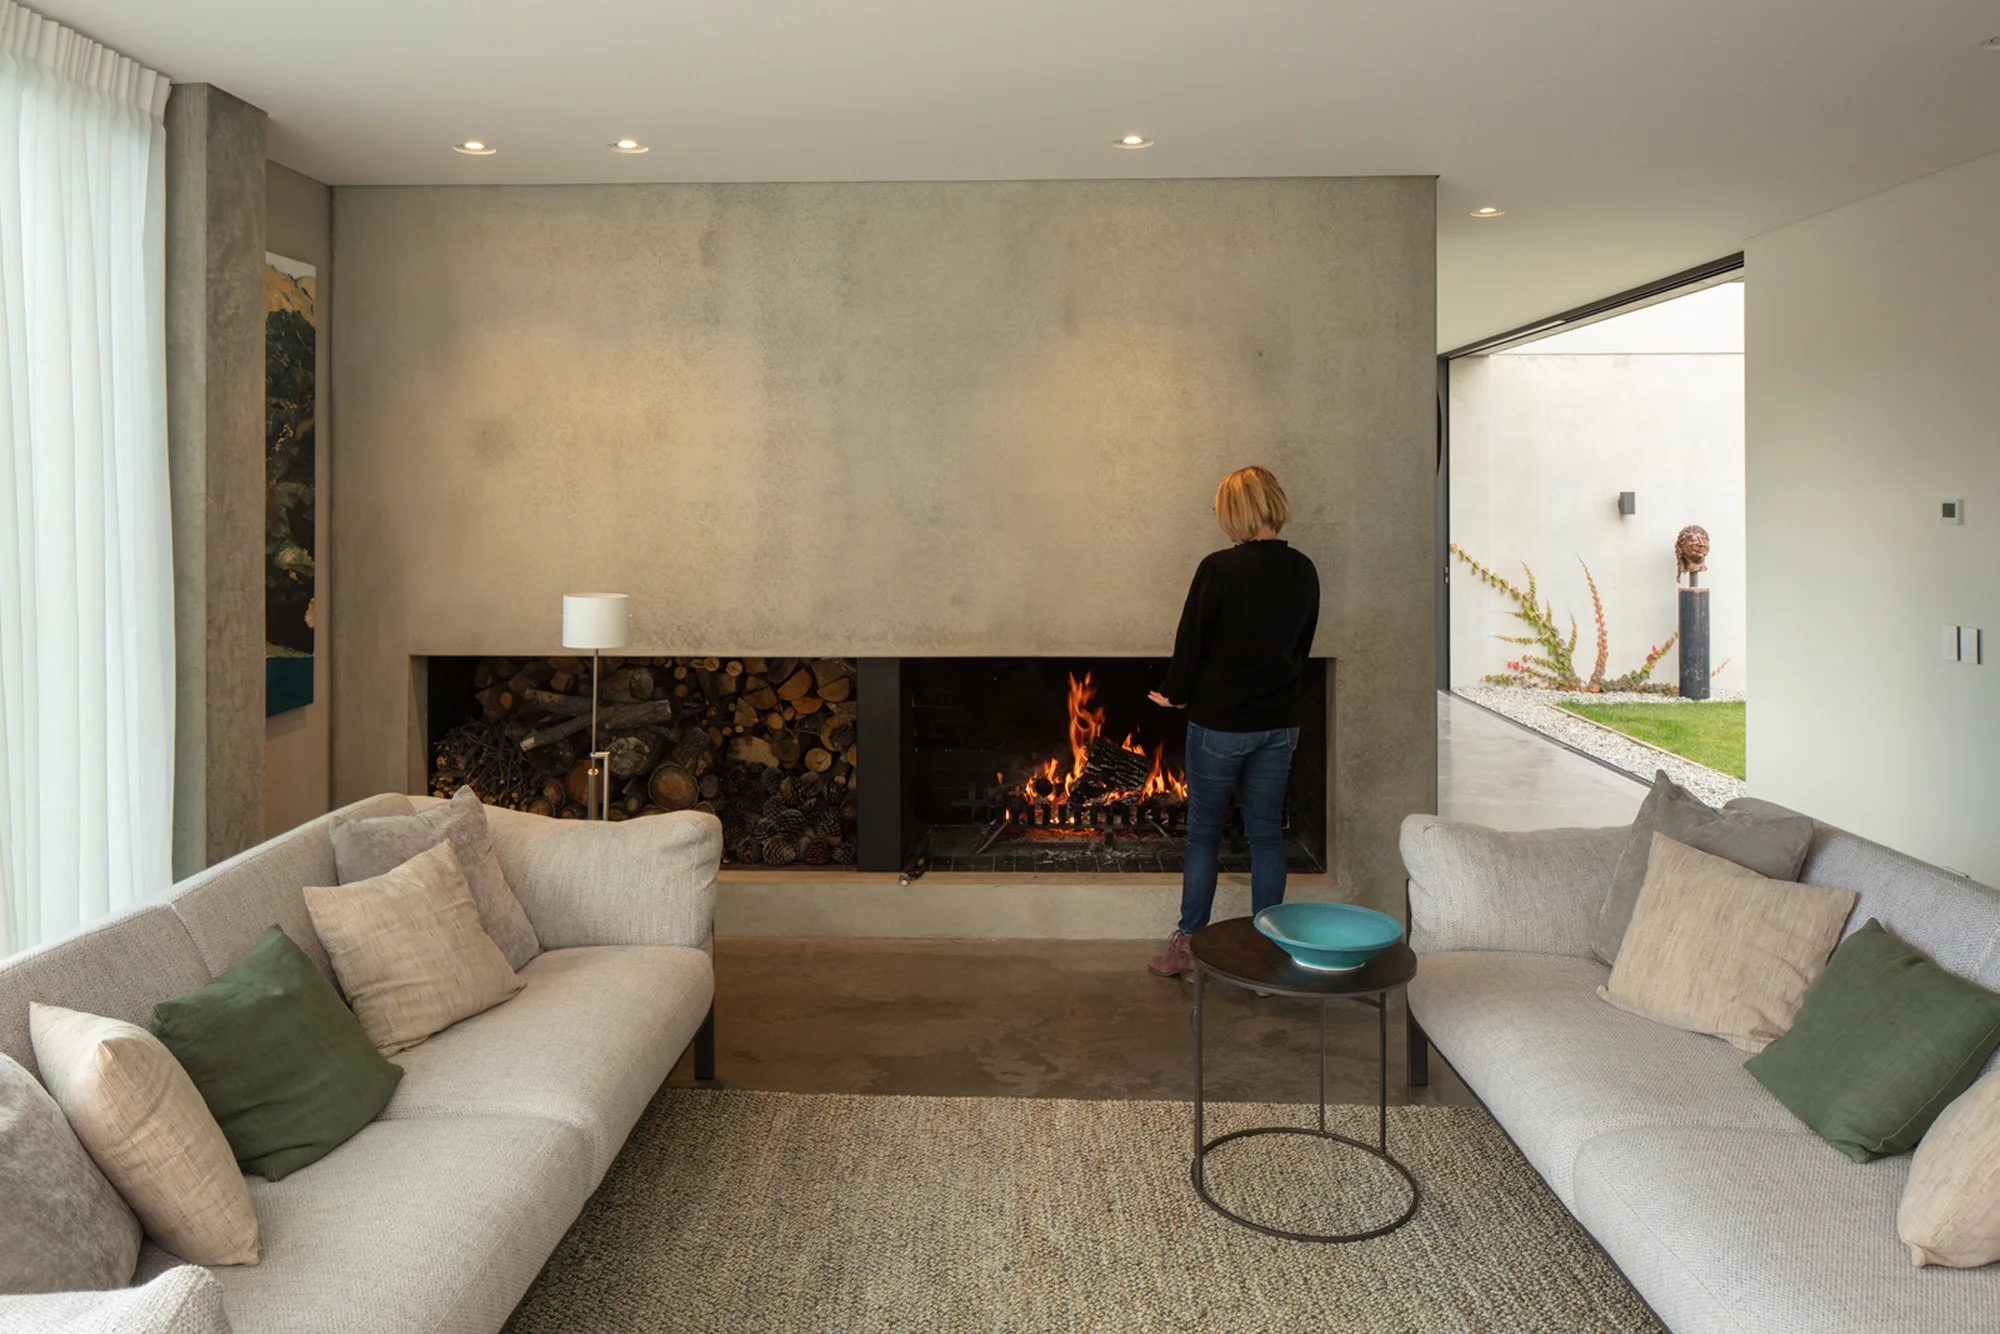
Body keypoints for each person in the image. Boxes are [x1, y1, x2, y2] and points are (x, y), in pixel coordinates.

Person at [1147, 466, 1319, 978]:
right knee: (1266, 836)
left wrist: (1174, 693)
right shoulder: (1304, 569)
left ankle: (1188, 949)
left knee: (1203, 834)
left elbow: (1192, 641)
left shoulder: (1219, 568)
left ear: (1235, 511)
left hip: (1221, 726)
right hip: (1279, 723)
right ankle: (1269, 958)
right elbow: (1301, 647)